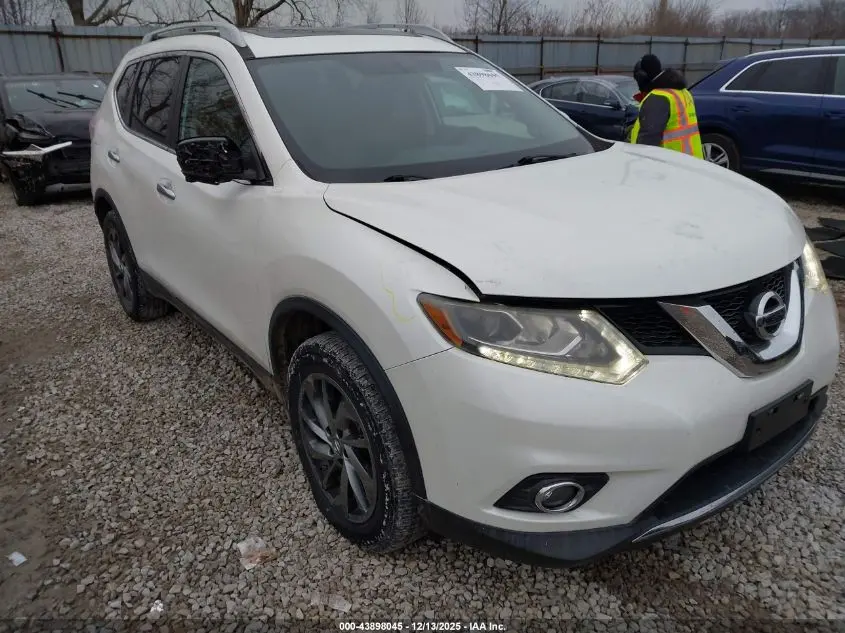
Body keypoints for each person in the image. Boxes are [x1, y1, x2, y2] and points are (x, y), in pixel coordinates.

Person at [628, 54, 704, 159]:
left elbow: (647, 142)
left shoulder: (658, 97)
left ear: (642, 78)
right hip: (691, 163)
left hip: (670, 166)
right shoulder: (682, 92)